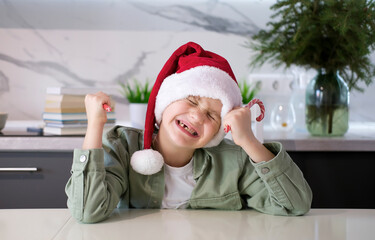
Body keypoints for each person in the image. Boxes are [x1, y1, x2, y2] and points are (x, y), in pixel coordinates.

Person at [65, 42, 312, 223]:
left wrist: (248, 141)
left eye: (212, 116)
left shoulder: (234, 160)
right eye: (191, 101)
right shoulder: (121, 146)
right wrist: (95, 126)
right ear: (165, 101)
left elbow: (295, 205)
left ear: (219, 129)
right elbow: (88, 211)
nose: (197, 116)